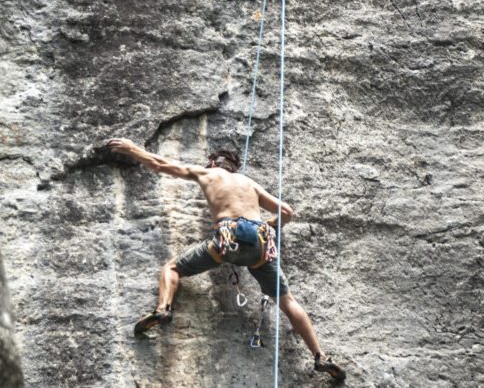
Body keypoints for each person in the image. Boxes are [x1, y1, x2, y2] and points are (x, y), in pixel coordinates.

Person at [108, 137, 346, 381]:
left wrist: (133, 149)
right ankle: (320, 356)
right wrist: (270, 224)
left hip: (227, 239)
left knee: (172, 267)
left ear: (213, 163)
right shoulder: (249, 183)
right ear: (233, 168)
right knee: (288, 301)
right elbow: (287, 212)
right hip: (260, 245)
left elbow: (161, 164)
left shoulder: (207, 174)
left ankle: (163, 309)